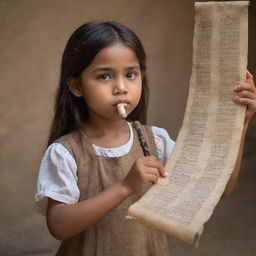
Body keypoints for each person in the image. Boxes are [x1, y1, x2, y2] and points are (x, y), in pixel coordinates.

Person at [34, 21, 256, 255]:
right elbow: (59, 226)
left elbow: (219, 187)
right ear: (76, 86)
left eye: (131, 74)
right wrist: (125, 187)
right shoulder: (65, 152)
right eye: (104, 77)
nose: (121, 87)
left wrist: (239, 124)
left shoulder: (156, 142)